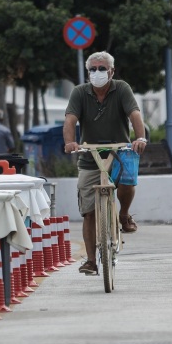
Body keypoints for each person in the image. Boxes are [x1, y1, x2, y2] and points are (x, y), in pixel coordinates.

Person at [62, 51, 148, 276]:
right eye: (93, 69)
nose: (97, 73)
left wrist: (140, 138)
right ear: (88, 72)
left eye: (102, 68)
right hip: (89, 156)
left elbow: (135, 115)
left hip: (120, 152)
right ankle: (91, 260)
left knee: (128, 182)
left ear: (111, 71)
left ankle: (124, 215)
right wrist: (70, 142)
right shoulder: (79, 93)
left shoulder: (121, 89)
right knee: (88, 211)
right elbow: (70, 119)